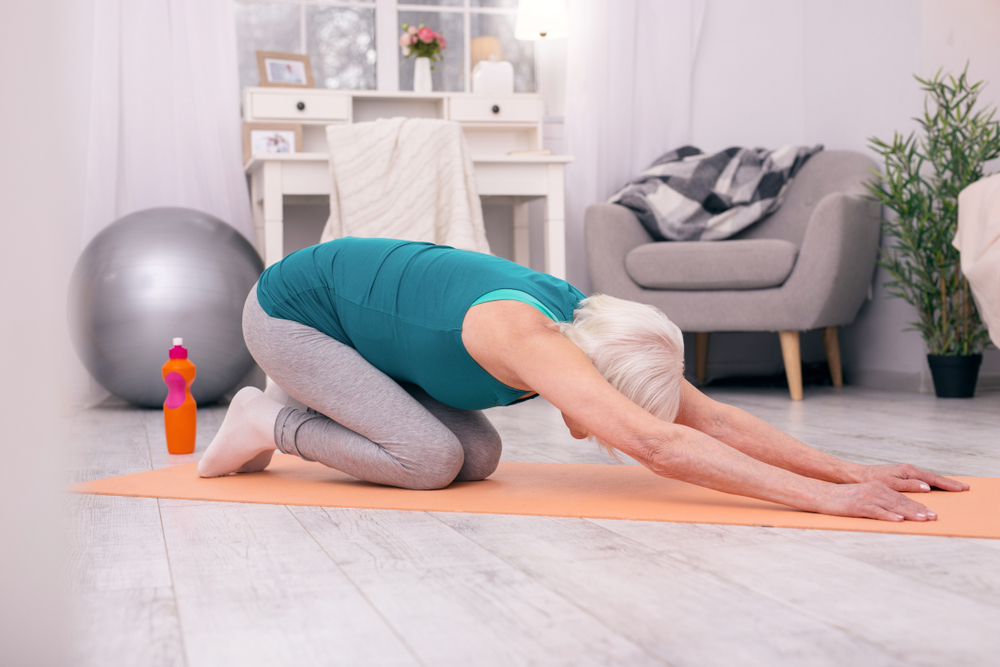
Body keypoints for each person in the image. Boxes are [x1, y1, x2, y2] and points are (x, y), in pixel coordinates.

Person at [198, 237, 969, 522]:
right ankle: (266, 420)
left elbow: (713, 421)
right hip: (293, 316)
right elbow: (656, 443)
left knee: (479, 457)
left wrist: (853, 467)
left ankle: (300, 410)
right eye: (600, 407)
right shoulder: (525, 333)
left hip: (373, 334)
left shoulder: (603, 331)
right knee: (430, 461)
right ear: (589, 376)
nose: (595, 424)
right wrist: (830, 501)